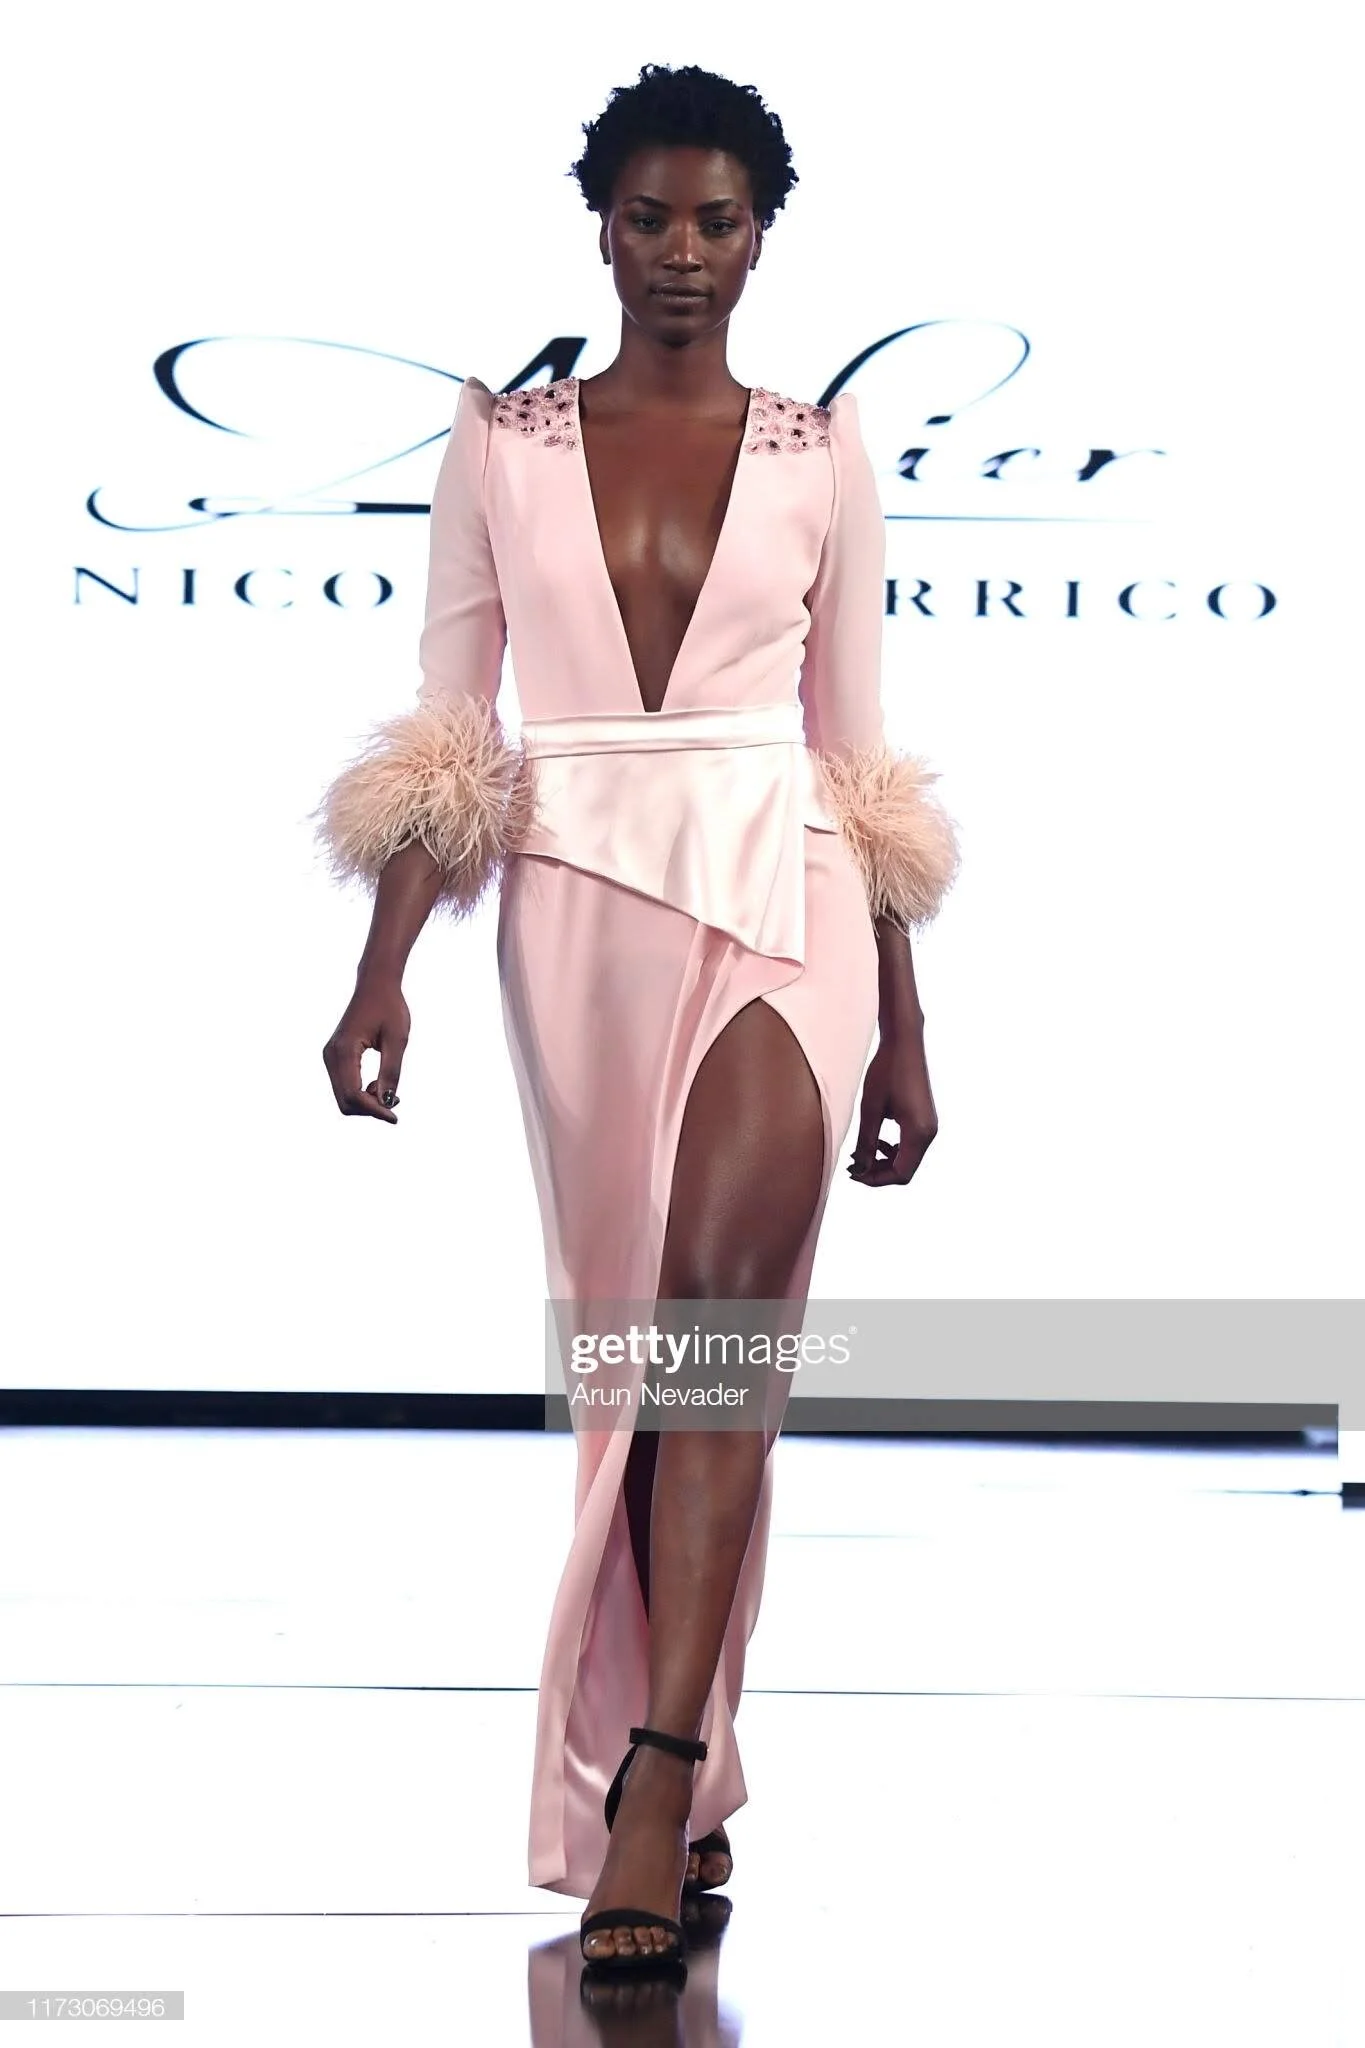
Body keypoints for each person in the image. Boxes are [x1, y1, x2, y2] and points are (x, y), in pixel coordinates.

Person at [314, 62, 959, 1978]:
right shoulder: (499, 443)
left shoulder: (815, 449)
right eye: (652, 218)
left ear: (766, 233)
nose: (684, 254)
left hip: (789, 890)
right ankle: (683, 1746)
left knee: (718, 1338)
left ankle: (659, 1775)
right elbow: (454, 733)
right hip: (577, 904)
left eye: (722, 221)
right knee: (641, 1370)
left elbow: (857, 753)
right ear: (600, 226)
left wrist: (907, 1025)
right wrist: (380, 972)